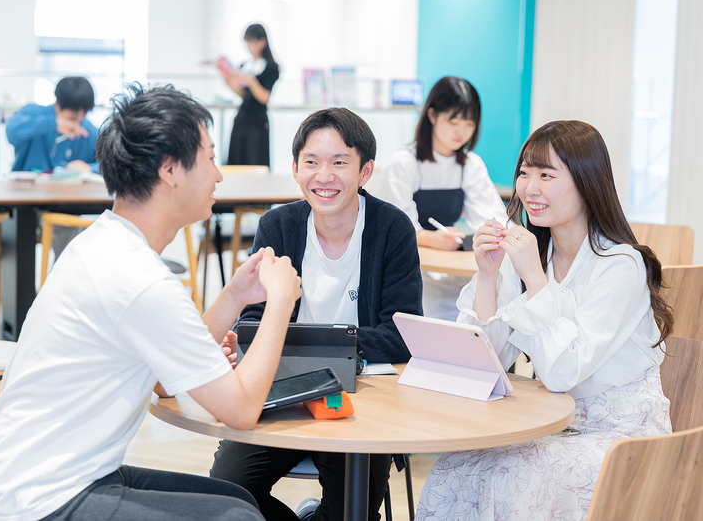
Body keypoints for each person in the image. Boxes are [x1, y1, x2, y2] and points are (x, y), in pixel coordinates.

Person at [0, 84, 303, 521]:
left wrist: (235, 296)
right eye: (209, 157)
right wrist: (280, 301)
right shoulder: (138, 279)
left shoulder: (106, 245)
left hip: (50, 480)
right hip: (41, 503)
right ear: (170, 169)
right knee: (238, 518)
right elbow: (241, 411)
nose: (218, 175)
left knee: (240, 501)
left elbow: (165, 381)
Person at [416, 120, 673, 521]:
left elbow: (563, 371)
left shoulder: (621, 264)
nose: (529, 188)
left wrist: (535, 279)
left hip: (622, 434)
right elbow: (490, 362)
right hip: (550, 424)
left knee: (516, 473)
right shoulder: (529, 248)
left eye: (546, 175)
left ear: (587, 183)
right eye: (524, 173)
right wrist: (487, 277)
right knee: (455, 466)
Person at [210, 108, 423, 521]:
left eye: (339, 162)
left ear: (365, 172)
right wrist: (244, 341)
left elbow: (401, 335)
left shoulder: (392, 228)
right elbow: (252, 321)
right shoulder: (279, 226)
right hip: (280, 391)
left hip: (358, 399)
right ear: (295, 169)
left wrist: (312, 345)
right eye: (311, 162)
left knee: (353, 511)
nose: (323, 176)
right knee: (228, 493)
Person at [378, 76, 506, 321]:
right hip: (411, 270)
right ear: (433, 116)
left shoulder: (470, 164)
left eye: (469, 123)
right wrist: (429, 238)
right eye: (453, 121)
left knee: (482, 316)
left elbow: (492, 219)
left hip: (451, 269)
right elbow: (392, 231)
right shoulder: (404, 163)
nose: (461, 132)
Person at [6, 76, 100, 173]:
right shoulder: (32, 113)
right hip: (27, 185)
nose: (78, 121)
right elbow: (11, 131)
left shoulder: (88, 131)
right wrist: (53, 123)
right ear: (57, 104)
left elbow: (110, 165)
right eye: (72, 117)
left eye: (84, 115)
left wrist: (89, 168)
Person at [221, 23, 279, 167]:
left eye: (252, 41)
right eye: (247, 42)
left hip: (257, 122)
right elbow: (243, 95)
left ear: (262, 41)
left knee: (255, 160)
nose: (249, 46)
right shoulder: (244, 65)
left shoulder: (271, 67)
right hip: (242, 119)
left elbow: (264, 97)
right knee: (237, 159)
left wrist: (251, 81)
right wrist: (228, 80)